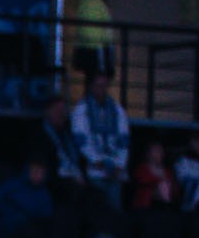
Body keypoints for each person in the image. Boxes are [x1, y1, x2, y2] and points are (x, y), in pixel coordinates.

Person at [72, 73, 130, 213]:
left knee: (115, 212)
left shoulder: (117, 110)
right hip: (94, 171)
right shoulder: (82, 109)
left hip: (115, 171)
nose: (101, 89)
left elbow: (124, 140)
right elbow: (81, 140)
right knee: (96, 211)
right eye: (98, 86)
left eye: (104, 86)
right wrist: (97, 160)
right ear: (91, 87)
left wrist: (119, 164)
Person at [0, 158, 53, 238]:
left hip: (23, 234)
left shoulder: (44, 195)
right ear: (27, 171)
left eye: (41, 173)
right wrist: (10, 211)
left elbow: (45, 217)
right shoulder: (13, 184)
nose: (38, 176)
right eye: (35, 171)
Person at [31, 95, 87, 200]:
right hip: (55, 179)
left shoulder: (68, 134)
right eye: (57, 111)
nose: (61, 115)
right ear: (48, 112)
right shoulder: (39, 136)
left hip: (76, 175)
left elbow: (79, 157)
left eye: (63, 111)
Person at [72, 0, 115, 80]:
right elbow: (92, 30)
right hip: (95, 50)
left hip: (95, 49)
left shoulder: (91, 0)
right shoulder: (92, 1)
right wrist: (102, 49)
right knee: (97, 81)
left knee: (95, 81)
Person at [131, 140, 176, 211]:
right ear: (148, 153)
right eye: (156, 151)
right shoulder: (141, 169)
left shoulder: (168, 171)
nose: (160, 153)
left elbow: (174, 189)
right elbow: (142, 181)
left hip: (164, 207)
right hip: (145, 207)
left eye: (161, 151)